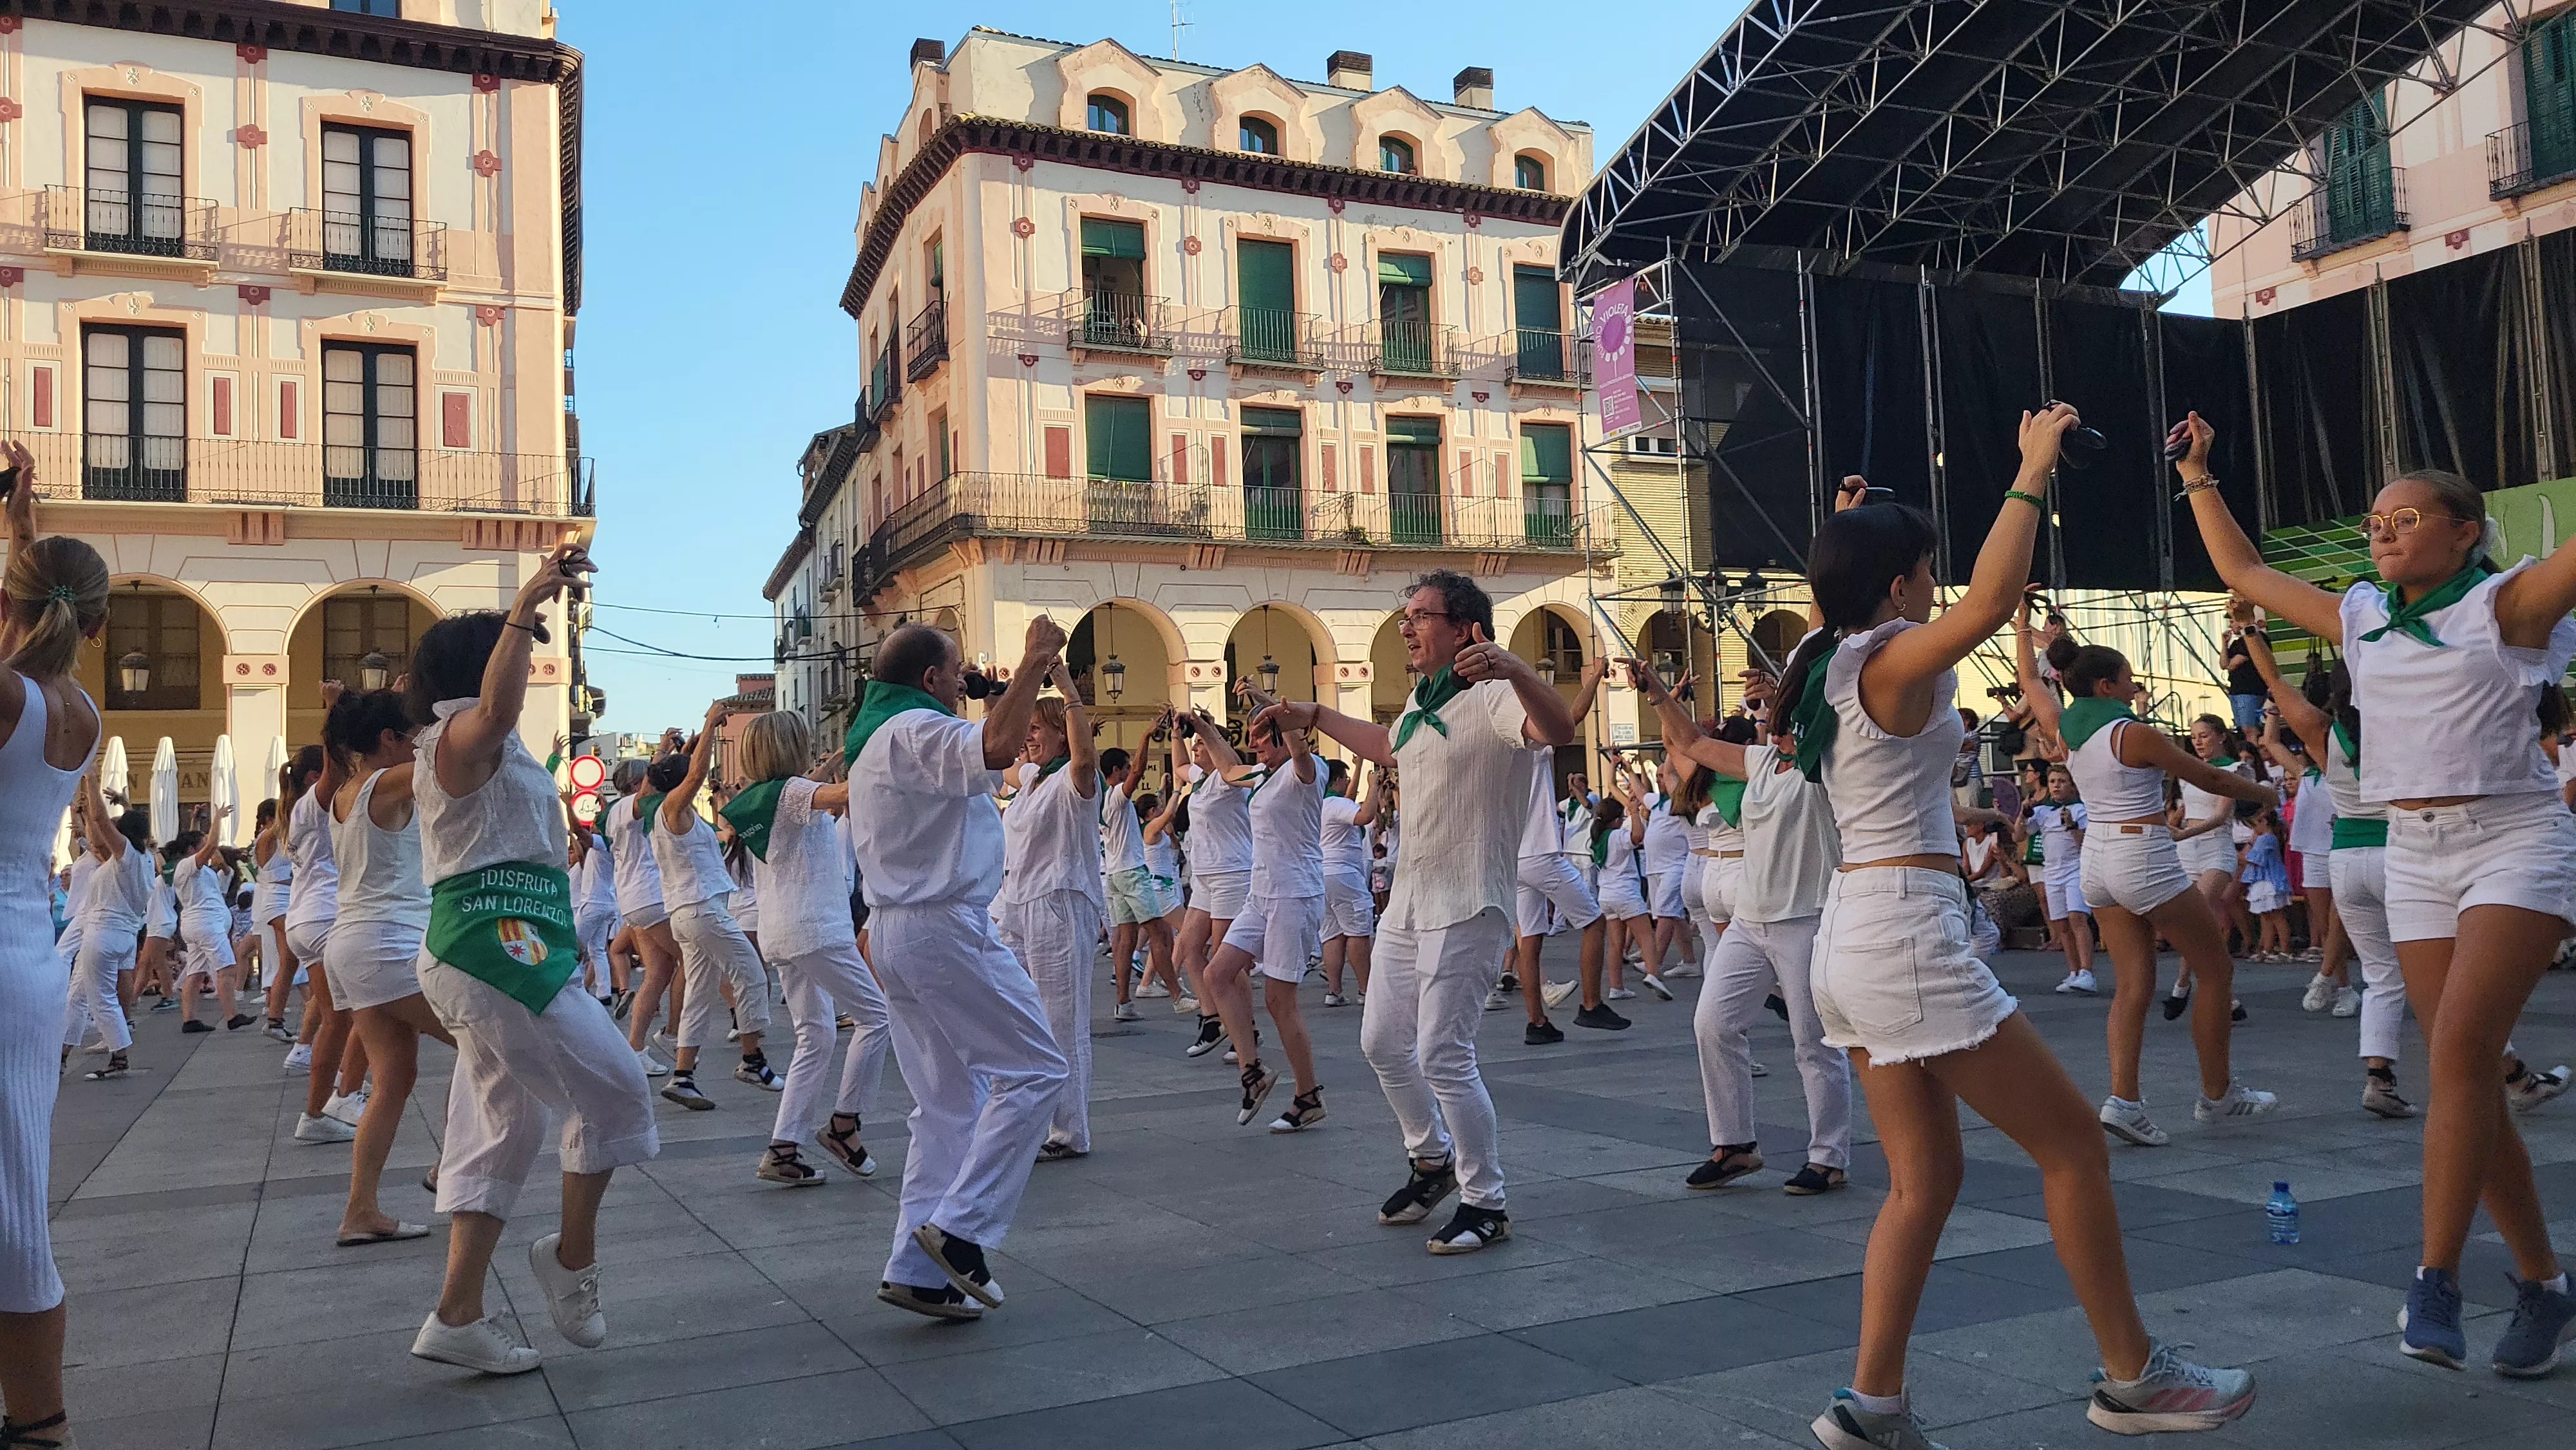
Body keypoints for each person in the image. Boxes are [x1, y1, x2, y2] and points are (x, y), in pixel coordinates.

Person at [1778, 428, 2254, 1446]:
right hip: (1904, 932)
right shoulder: (1889, 663)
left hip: (1856, 936)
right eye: (1926, 573)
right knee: (2075, 1144)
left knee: (1924, 1181)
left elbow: (1914, 606)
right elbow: (1991, 604)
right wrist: (2031, 466)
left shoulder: (1824, 659)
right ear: (1901, 588)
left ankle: (1873, 1405)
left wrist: (1856, 523)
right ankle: (2133, 1375)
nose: (1940, 588)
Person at [2175, 411, 2576, 1374]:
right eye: (2374, 523)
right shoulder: (2363, 613)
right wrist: (2198, 474)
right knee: (2463, 1075)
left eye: (2406, 518)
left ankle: (2433, 1278)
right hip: (2415, 850)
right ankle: (2543, 1285)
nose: (2383, 532)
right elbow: (2249, 578)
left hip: (2514, 841)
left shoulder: (2506, 606)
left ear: (2466, 531)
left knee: (2464, 1057)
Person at [1252, 568, 1578, 1254]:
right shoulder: (1422, 706)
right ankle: (1430, 1158)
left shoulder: (1491, 698)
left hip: (1470, 900)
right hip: (1409, 902)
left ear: (1465, 629)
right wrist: (1308, 714)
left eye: (1422, 615)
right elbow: (1384, 743)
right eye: (1406, 616)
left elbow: (1554, 726)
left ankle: (1485, 1200)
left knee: (1442, 1052)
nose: (1407, 627)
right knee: (1379, 1041)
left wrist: (1515, 664)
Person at [407, 541, 658, 1373]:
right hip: (493, 953)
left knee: (501, 1132)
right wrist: (524, 607)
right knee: (618, 1092)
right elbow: (501, 710)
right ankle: (570, 1260)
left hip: (505, 951)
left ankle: (456, 1314)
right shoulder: (460, 739)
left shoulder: (492, 748)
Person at [848, 619, 1068, 1319]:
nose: (965, 676)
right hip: (943, 925)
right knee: (1035, 1069)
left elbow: (983, 744)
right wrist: (1035, 658)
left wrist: (997, 687)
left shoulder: (883, 737)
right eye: (958, 668)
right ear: (933, 679)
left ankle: (917, 1269)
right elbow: (998, 746)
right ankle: (962, 1231)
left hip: (899, 929)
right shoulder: (916, 731)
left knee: (946, 1106)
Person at [2014, 600, 2280, 1151]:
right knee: (2215, 972)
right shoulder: (2131, 733)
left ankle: (2125, 1102)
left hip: (2098, 863)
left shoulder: (2064, 727)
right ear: (2109, 684)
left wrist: (2023, 631)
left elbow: (2030, 681)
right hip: (2145, 854)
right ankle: (2217, 1095)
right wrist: (2264, 792)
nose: (2135, 687)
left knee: (2132, 986)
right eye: (2129, 679)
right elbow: (2208, 776)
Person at [1631, 655, 1853, 1197]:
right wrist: (1660, 693)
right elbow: (1691, 743)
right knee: (1713, 1023)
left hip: (1805, 919)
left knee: (1812, 1041)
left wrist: (1789, 689)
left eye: (1768, 707)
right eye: (1757, 707)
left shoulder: (1825, 765)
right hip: (1752, 920)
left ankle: (1828, 1156)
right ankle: (1734, 1145)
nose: (1761, 713)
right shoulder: (1758, 764)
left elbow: (1829, 714)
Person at [0, 438, 112, 1450]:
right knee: (15, 1190)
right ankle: (38, 1418)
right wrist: (21, 533)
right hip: (23, 961)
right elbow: (34, 615)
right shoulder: (80, 713)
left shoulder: (8, 697)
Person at [2237, 626, 2414, 1118]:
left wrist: (2250, 632)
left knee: (2382, 979)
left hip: (2345, 861)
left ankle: (2379, 1077)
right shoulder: (2406, 723)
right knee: (2443, 972)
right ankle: (2505, 1073)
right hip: (2401, 855)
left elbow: (2274, 681)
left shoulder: (2321, 732)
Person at [721, 709, 893, 1185]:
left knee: (815, 1037)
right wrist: (876, 756)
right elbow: (843, 794)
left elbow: (810, 786)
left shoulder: (766, 797)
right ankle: (845, 1124)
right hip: (816, 928)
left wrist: (839, 757)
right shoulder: (795, 794)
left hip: (784, 932)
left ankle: (783, 1148)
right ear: (790, 748)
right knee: (876, 1018)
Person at [323, 686, 453, 1249]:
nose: (418, 742)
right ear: (387, 740)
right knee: (490, 1045)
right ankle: (450, 1164)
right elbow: (444, 762)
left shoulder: (342, 794)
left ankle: (361, 1210)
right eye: (409, 734)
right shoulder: (384, 782)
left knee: (394, 1081)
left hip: (353, 945)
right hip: (388, 943)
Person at [995, 666, 1106, 1158]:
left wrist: (1068, 692)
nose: (1029, 738)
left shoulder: (1072, 781)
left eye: (1036, 729)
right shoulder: (1032, 780)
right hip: (1016, 907)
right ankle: (1026, 1111)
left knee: (1062, 1022)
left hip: (1060, 903)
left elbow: (1084, 760)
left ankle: (1068, 1131)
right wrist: (1006, 695)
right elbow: (997, 757)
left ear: (1061, 732)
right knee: (1010, 1010)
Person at [647, 704, 779, 1107]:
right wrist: (707, 725)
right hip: (701, 910)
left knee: (699, 995)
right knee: (752, 975)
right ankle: (753, 1060)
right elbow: (695, 773)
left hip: (691, 913)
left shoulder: (669, 811)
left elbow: (678, 770)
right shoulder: (673, 808)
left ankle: (683, 1075)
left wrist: (685, 746)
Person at [1512, 657, 1607, 1043]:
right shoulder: (1533, 740)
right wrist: (1595, 676)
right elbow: (1573, 718)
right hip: (1540, 850)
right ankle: (1591, 1005)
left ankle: (1537, 1022)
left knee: (1529, 939)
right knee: (1595, 922)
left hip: (1514, 855)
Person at [1171, 704, 1253, 1060]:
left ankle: (1245, 1030)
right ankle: (1213, 1018)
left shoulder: (1228, 779)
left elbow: (1231, 763)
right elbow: (1178, 767)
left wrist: (1208, 730)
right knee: (1189, 947)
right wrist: (1176, 734)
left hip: (1232, 873)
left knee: (1226, 961)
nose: (1196, 749)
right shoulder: (1200, 781)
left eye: (1201, 745)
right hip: (1206, 875)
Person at [61, 778, 151, 1081]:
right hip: (122, 935)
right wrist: (124, 806)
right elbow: (113, 834)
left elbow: (100, 821)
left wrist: (92, 781)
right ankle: (62, 1054)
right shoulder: (145, 859)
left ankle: (119, 1058)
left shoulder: (125, 856)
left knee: (100, 1000)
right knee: (80, 994)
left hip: (103, 933)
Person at [605, 755, 682, 1078]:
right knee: (695, 961)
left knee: (659, 973)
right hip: (649, 898)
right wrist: (659, 763)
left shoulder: (621, 810)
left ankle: (636, 1050)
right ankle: (674, 1032)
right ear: (637, 784)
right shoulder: (625, 808)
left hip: (638, 901)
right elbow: (647, 794)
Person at [1100, 739, 1179, 1022]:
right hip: (1132, 871)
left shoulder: (1101, 799)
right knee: (1160, 934)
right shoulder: (1117, 796)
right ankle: (1177, 995)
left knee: (1126, 939)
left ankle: (1123, 1002)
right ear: (1117, 771)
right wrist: (1145, 737)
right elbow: (1138, 773)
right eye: (1126, 766)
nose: (1131, 770)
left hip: (1114, 874)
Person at [171, 813, 250, 1033]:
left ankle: (190, 1020)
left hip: (200, 925)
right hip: (206, 924)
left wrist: (196, 822)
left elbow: (222, 866)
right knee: (227, 968)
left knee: (195, 973)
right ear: (191, 850)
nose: (209, 848)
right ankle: (232, 1016)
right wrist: (216, 821)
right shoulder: (187, 866)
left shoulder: (203, 871)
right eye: (203, 845)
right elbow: (212, 845)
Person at [2025, 761, 2098, 994]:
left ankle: (2087, 973)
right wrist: (2023, 812)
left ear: (2072, 785)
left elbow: (2083, 844)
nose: (2057, 786)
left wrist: (2072, 825)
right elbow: (2019, 834)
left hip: (2075, 869)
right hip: (2052, 872)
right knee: (2061, 925)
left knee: (2077, 917)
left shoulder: (2080, 809)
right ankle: (2074, 972)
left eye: (2062, 781)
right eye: (2053, 781)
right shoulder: (2041, 811)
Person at [1320, 758, 1383, 1008]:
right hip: (1343, 873)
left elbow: (1348, 796)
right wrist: (1374, 784)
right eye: (1344, 778)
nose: (1348, 784)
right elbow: (1365, 815)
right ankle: (1365, 989)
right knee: (1358, 931)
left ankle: (1334, 990)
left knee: (1332, 934)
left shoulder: (1318, 803)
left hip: (1322, 874)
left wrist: (1357, 768)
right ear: (1336, 781)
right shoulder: (1336, 805)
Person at [2240, 807, 2292, 960]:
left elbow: (2255, 860)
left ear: (2264, 822)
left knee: (2277, 916)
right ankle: (2267, 948)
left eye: (2256, 825)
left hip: (2270, 881)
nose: (2254, 829)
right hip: (2261, 881)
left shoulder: (2267, 839)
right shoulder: (2263, 838)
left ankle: (2285, 949)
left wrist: (2235, 854)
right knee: (2265, 916)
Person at [2220, 621, 2266, 735]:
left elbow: (2232, 665)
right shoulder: (2237, 643)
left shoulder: (2253, 639)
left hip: (2250, 691)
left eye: (2232, 622)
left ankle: (2255, 749)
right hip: (2236, 691)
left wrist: (2229, 664)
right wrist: (2224, 644)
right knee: (2242, 729)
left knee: (2249, 728)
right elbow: (2223, 664)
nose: (2230, 626)